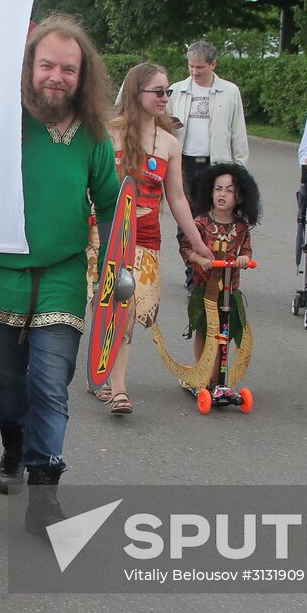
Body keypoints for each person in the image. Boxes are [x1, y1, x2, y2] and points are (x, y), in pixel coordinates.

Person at [0, 14, 120, 534]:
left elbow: (110, 205)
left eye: (68, 69)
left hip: (61, 273)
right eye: (47, 64)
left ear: (83, 76)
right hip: (0, 272)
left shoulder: (94, 136)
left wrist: (129, 258)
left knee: (52, 385)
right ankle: (13, 447)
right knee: (8, 383)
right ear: (29, 66)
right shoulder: (0, 122)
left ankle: (44, 492)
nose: (57, 75)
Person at [97, 63, 213, 416]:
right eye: (158, 92)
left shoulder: (170, 144)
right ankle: (106, 376)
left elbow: (177, 199)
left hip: (145, 239)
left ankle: (116, 386)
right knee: (104, 306)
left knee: (126, 309)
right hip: (103, 235)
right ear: (136, 94)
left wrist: (199, 243)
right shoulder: (108, 134)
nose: (165, 98)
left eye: (168, 92)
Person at [166, 40, 248, 288]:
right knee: (187, 221)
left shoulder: (229, 92)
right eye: (191, 66)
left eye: (200, 67)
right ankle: (194, 272)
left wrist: (240, 170)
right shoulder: (177, 90)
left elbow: (238, 132)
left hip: (215, 165)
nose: (194, 72)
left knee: (213, 221)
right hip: (184, 163)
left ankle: (212, 274)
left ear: (213, 64)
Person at [182, 163, 261, 366]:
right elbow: (186, 248)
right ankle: (202, 370)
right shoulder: (200, 222)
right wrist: (199, 260)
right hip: (203, 287)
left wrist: (244, 259)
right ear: (210, 191)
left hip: (229, 289)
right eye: (218, 188)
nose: (222, 194)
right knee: (203, 328)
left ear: (240, 197)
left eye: (229, 190)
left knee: (224, 330)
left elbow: (245, 249)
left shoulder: (241, 227)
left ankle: (218, 374)